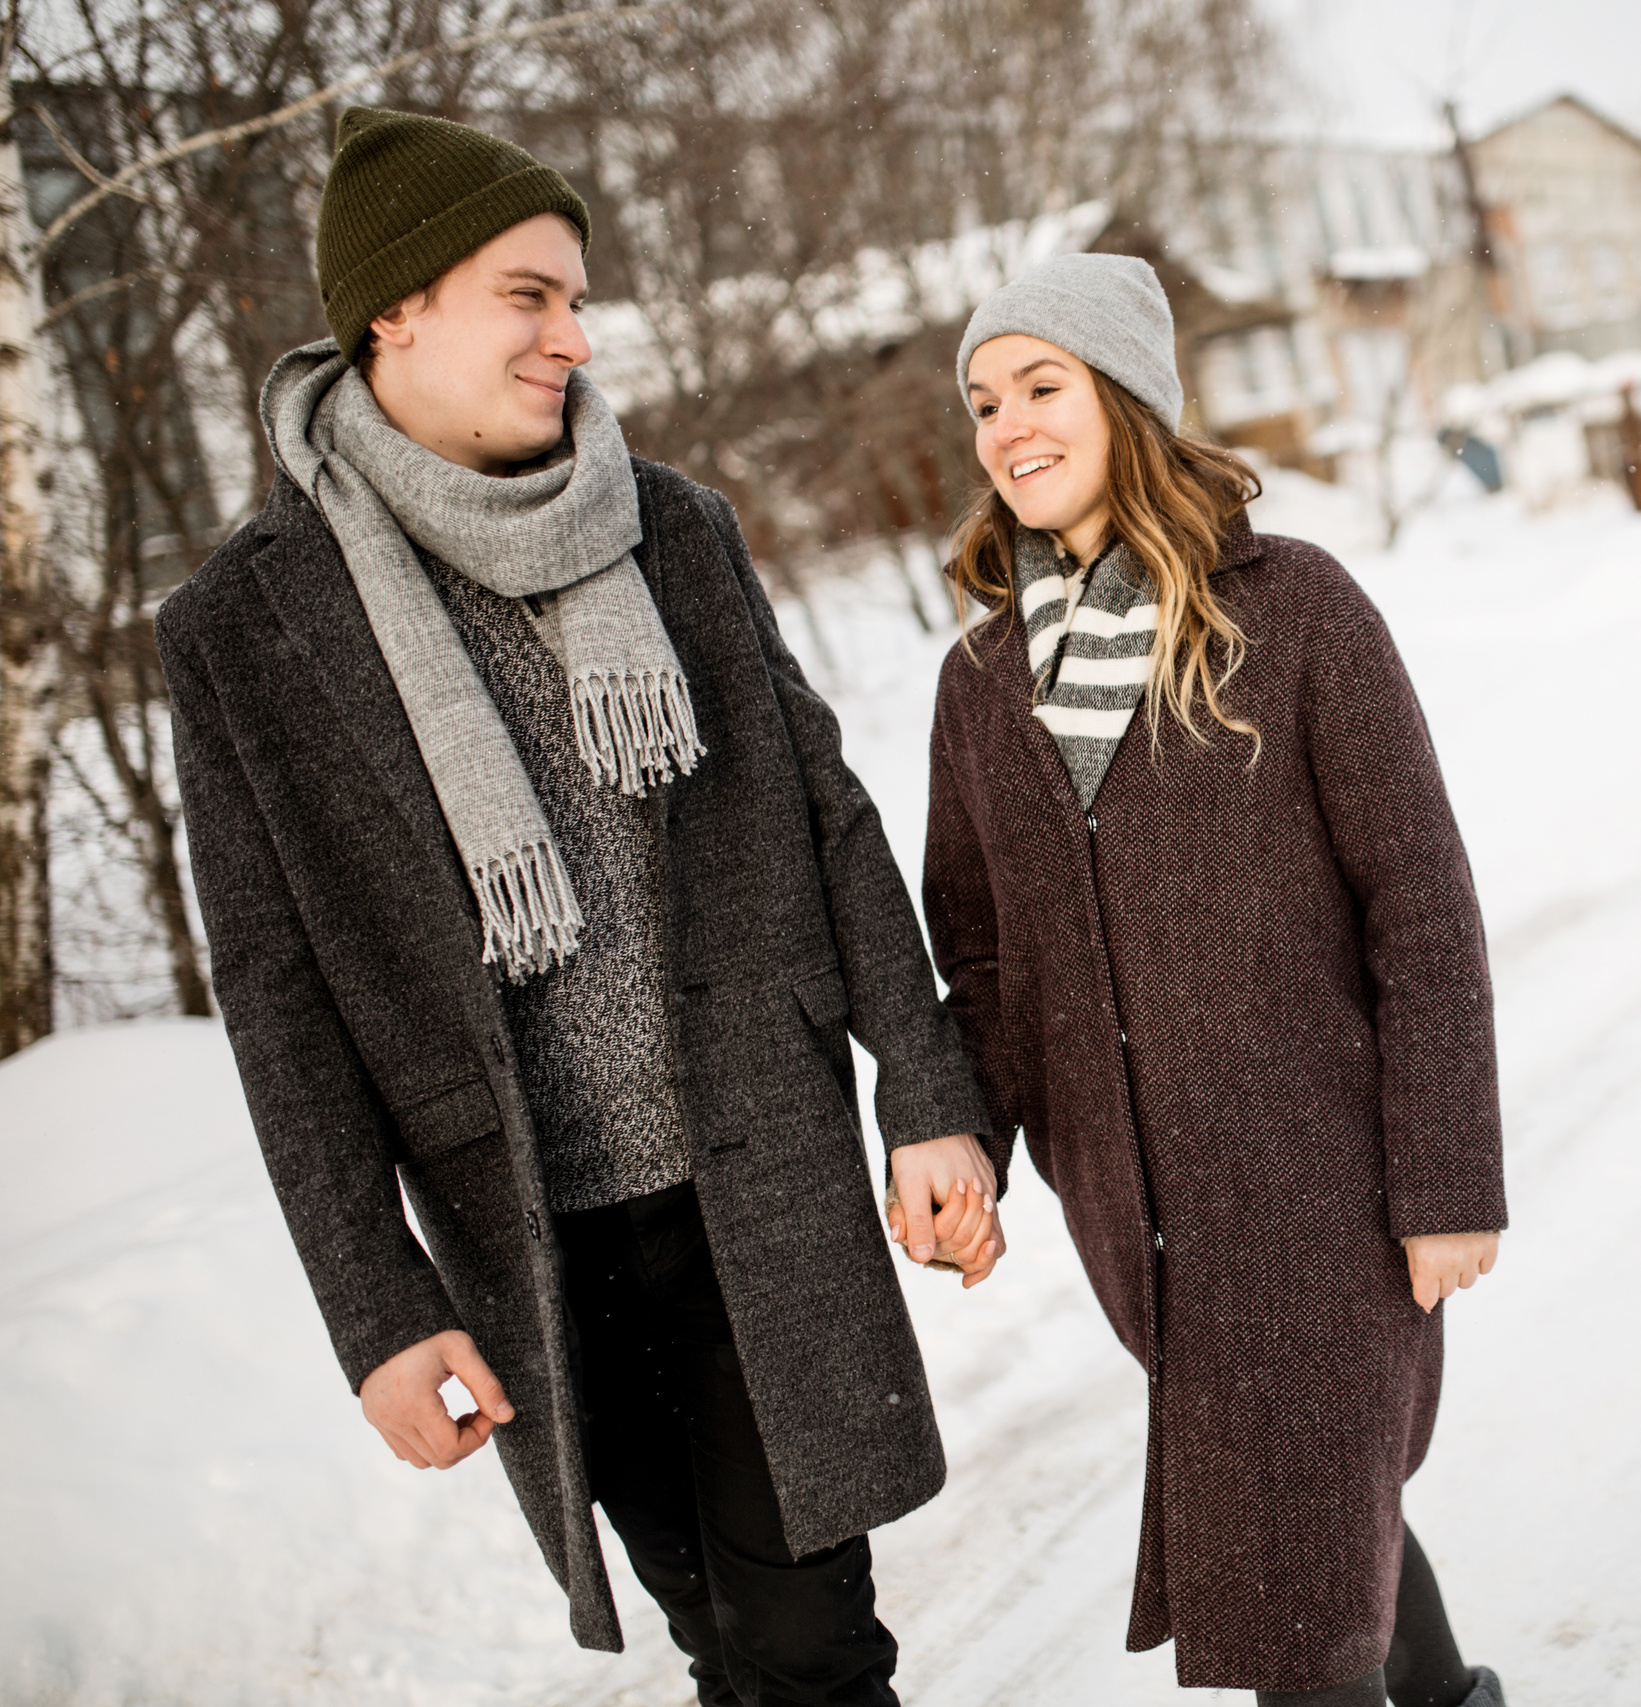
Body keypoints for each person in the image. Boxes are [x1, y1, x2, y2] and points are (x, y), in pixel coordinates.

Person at [157, 108, 1001, 1706]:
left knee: (814, 1648)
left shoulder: (668, 526)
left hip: (756, 1174)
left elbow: (824, 818)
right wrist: (376, 1309)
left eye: (579, 298)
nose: (575, 335)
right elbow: (277, 997)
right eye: (530, 295)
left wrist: (928, 1093)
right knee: (722, 1645)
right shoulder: (244, 628)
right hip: (530, 1230)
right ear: (394, 310)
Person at [923, 252, 1510, 1707]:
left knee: (1290, 1600)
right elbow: (982, 954)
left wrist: (1447, 1180)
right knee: (1319, 1523)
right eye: (985, 402)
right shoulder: (984, 678)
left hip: (1326, 1189)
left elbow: (1422, 908)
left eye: (1042, 387)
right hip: (1143, 1222)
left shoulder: (1295, 608)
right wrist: (976, 1150)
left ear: (1127, 399)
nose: (1008, 428)